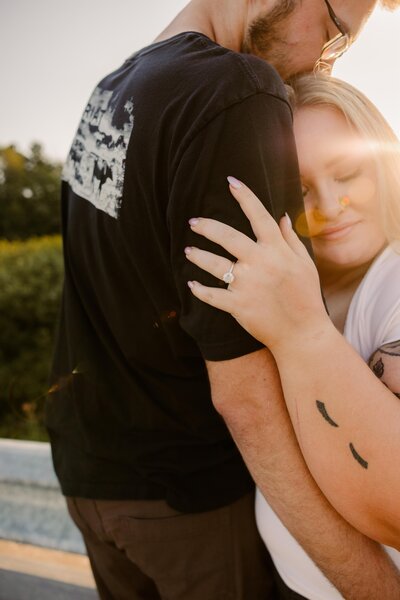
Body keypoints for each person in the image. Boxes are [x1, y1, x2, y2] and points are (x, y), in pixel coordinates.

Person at [47, 0, 400, 598]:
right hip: (190, 503)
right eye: (338, 33)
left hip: (92, 480)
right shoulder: (237, 93)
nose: (326, 60)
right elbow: (247, 401)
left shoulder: (113, 92)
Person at [185, 73, 400, 598]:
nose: (329, 205)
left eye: (348, 173)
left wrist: (300, 332)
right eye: (300, 187)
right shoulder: (304, 289)